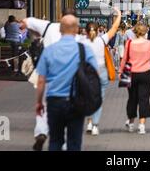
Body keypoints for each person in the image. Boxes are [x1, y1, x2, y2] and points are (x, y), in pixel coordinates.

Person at [35, 15, 98, 151]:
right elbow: (94, 74)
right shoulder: (84, 50)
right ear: (76, 30)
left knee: (55, 140)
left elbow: (41, 80)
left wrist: (39, 102)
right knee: (74, 142)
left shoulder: (49, 50)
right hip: (76, 101)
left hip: (54, 101)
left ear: (60, 29)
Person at [21, 8, 79, 151]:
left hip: (48, 76)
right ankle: (64, 143)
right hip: (69, 80)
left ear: (60, 16)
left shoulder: (47, 26)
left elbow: (26, 21)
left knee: (44, 108)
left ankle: (41, 132)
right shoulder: (77, 37)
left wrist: (27, 30)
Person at [119, 23, 150, 134]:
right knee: (144, 98)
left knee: (132, 98)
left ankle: (131, 123)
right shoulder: (149, 44)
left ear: (135, 31)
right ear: (146, 32)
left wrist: (120, 71)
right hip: (145, 73)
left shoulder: (129, 43)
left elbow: (124, 58)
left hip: (131, 73)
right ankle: (141, 125)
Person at [84, 8, 122, 136]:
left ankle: (89, 122)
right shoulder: (102, 40)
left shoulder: (82, 41)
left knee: (87, 99)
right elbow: (115, 28)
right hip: (100, 72)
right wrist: (119, 14)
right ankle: (95, 125)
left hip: (87, 72)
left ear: (86, 31)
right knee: (98, 99)